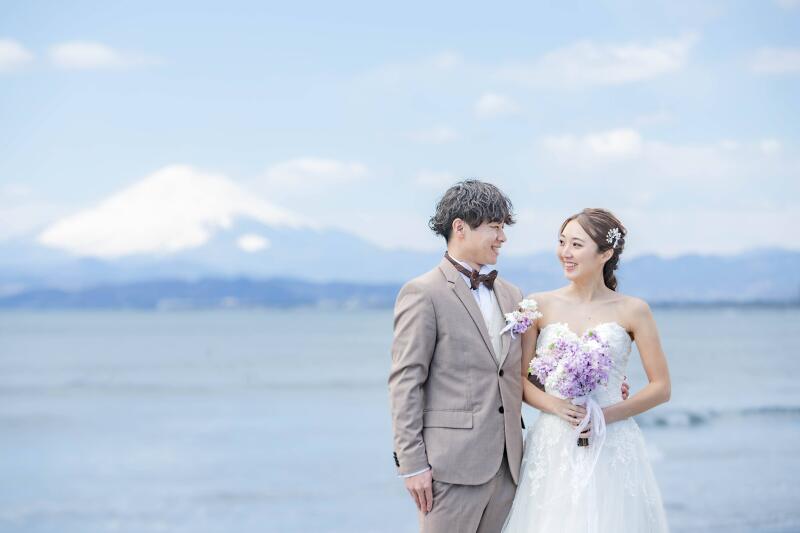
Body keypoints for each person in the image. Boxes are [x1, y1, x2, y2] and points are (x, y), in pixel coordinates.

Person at [388, 183, 628, 532]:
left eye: (503, 228)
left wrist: (599, 383)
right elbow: (405, 383)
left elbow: (523, 372)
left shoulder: (511, 294)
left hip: (511, 467)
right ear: (460, 228)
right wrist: (412, 465)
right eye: (495, 227)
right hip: (450, 468)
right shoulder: (423, 292)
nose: (502, 237)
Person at [502, 208, 670, 532]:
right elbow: (518, 379)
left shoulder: (634, 310)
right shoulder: (537, 305)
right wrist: (556, 406)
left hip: (612, 441)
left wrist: (604, 416)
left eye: (576, 245)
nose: (565, 252)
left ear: (605, 253)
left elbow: (661, 387)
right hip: (553, 442)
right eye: (562, 242)